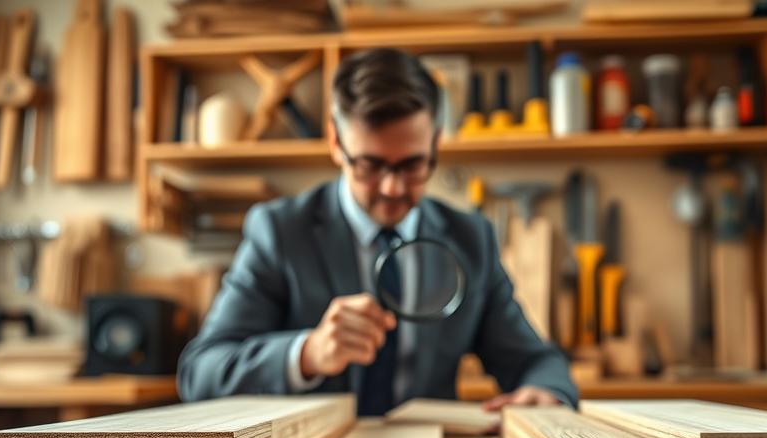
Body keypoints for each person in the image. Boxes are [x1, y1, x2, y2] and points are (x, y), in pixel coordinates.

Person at [177, 48, 577, 415]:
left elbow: (535, 361)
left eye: (412, 165)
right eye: (369, 165)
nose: (392, 188)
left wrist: (545, 392)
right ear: (336, 142)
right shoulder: (280, 231)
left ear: (437, 143)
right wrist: (306, 354)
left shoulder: (472, 240)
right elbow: (201, 372)